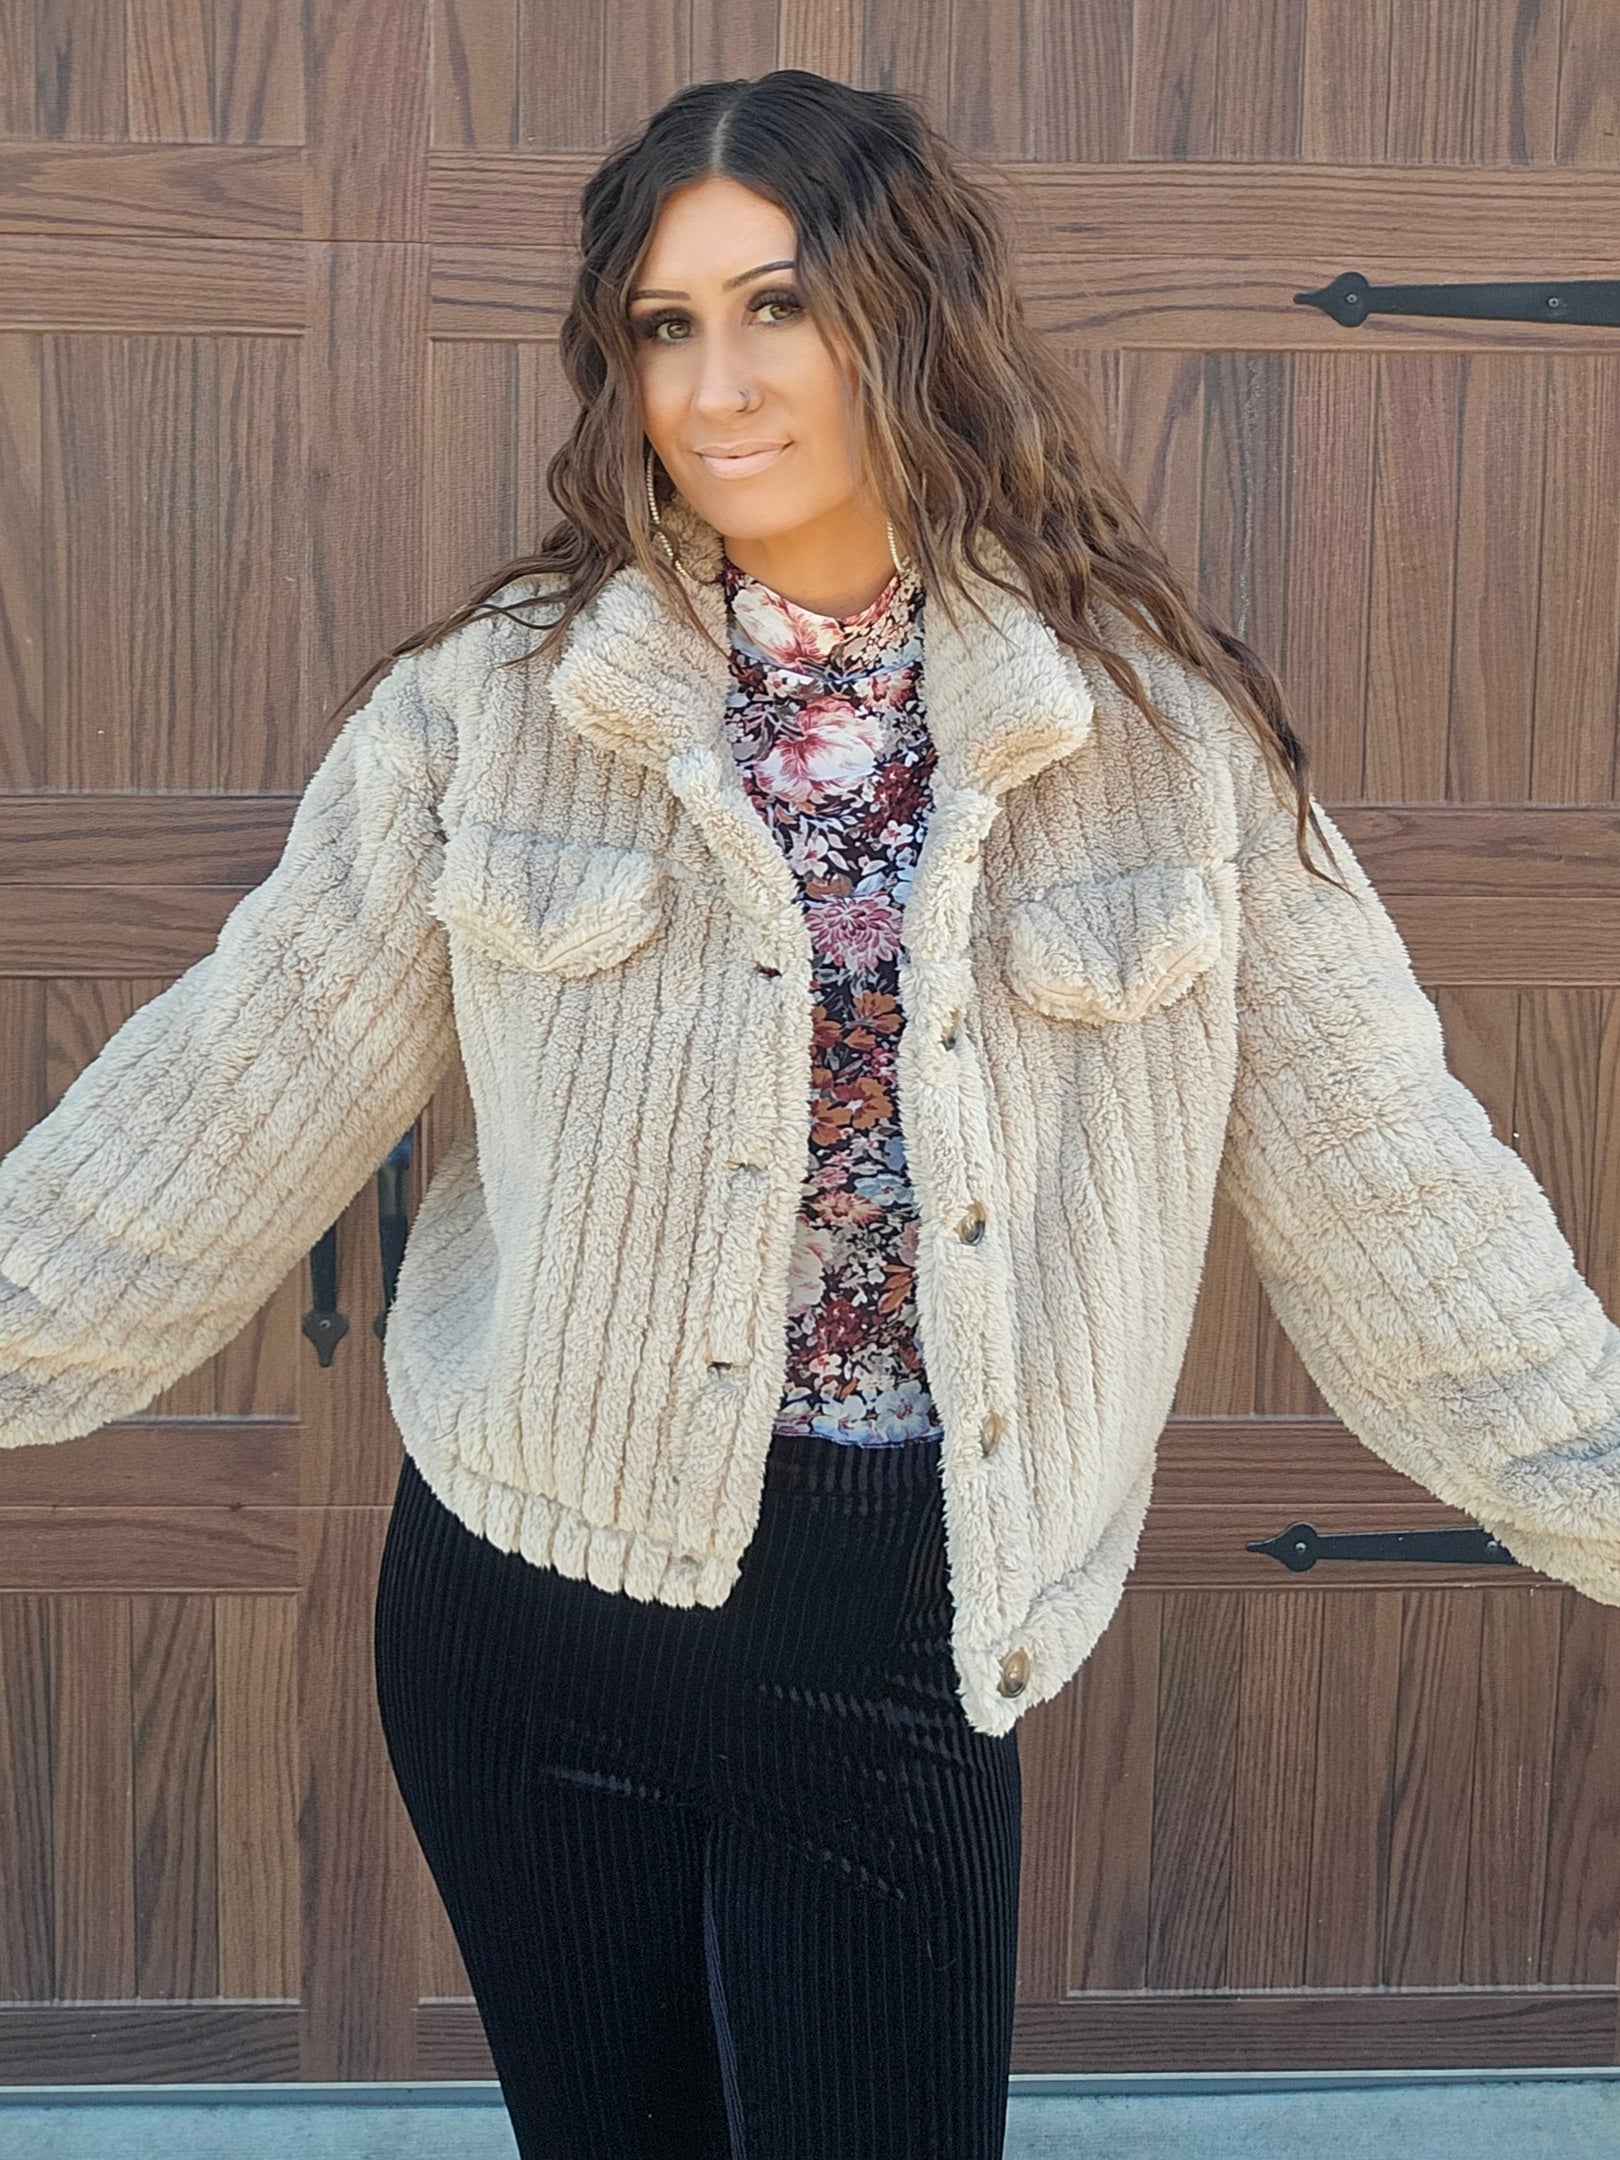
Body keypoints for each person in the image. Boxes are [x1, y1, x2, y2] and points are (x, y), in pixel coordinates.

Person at [3, 64, 1620, 2160]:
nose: (717, 386)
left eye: (779, 307)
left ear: (912, 319)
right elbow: (218, 1105)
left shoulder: (1155, 745)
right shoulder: (490, 716)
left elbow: (1397, 1189)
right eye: (664, 326)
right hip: (520, 1615)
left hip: (897, 1628)